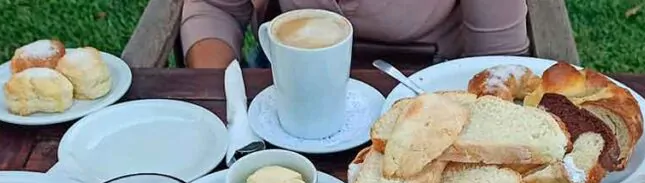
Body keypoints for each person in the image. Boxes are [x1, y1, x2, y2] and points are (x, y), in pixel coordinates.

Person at [182, 0, 530, 69]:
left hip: (426, 83)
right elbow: (216, 8)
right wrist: (222, 98)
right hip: (287, 75)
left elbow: (500, 64)